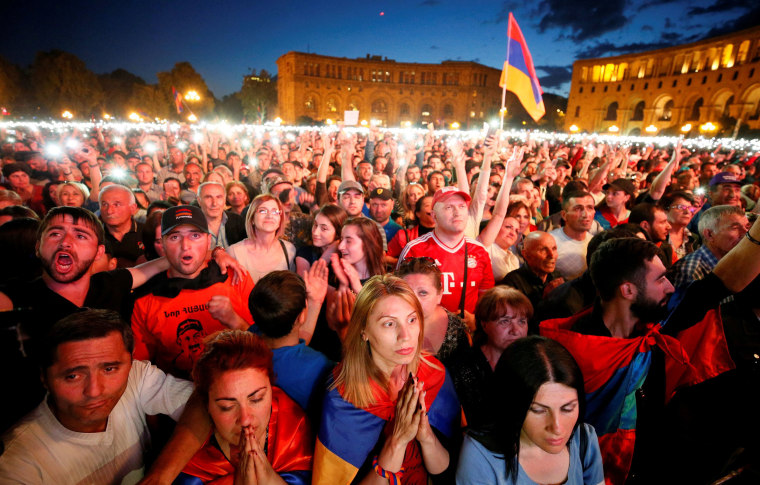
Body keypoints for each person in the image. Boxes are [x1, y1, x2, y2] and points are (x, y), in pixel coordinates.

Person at [540, 222, 760, 484]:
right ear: (628, 290)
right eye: (659, 279)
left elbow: (717, 284)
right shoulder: (568, 356)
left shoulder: (651, 327)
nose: (669, 286)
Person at [0, 309, 194, 485]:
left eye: (109, 369)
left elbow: (205, 402)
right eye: (73, 376)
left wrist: (161, 475)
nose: (94, 391)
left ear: (131, 361)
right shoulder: (16, 466)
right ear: (45, 378)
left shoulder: (136, 376)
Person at [313, 275, 460, 485]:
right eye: (389, 324)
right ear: (363, 331)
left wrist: (426, 436)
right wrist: (397, 442)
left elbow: (446, 472)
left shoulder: (434, 374)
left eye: (412, 319)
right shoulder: (343, 396)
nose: (406, 335)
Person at [456, 336, 604, 485]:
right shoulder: (480, 455)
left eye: (567, 408)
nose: (557, 428)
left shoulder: (584, 438)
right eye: (539, 410)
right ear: (512, 405)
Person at [174, 330, 314, 485]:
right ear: (206, 405)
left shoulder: (293, 427)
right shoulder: (189, 457)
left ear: (271, 388)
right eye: (227, 407)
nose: (245, 419)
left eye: (256, 399)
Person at [131, 205, 255, 378]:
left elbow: (266, 346)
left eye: (195, 236)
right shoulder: (145, 299)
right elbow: (140, 368)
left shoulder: (235, 277)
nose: (185, 246)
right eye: (175, 237)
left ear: (208, 240)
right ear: (163, 244)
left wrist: (235, 321)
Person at [398, 186, 494, 328]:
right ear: (434, 215)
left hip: (467, 337)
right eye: (449, 207)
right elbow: (399, 298)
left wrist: (477, 320)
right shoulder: (414, 249)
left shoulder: (479, 251)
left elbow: (487, 299)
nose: (457, 213)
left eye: (461, 206)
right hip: (424, 337)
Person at [248, 270, 333, 416]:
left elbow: (290, 353)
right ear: (301, 316)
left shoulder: (249, 339)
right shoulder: (319, 366)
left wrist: (314, 303)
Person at [448, 287, 532, 429]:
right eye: (505, 321)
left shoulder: (533, 362)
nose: (516, 330)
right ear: (484, 324)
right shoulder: (463, 366)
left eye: (522, 321)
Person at [396, 257, 470, 364]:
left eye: (423, 293)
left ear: (439, 295)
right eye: (407, 292)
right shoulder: (385, 326)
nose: (414, 301)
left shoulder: (456, 331)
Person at [228, 194, 296, 283]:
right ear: (252, 218)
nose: (269, 216)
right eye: (263, 211)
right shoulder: (234, 252)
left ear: (280, 219)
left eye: (275, 212)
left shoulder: (289, 250)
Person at [500, 231, 564, 325]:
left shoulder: (557, 276)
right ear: (526, 255)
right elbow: (516, 324)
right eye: (543, 250)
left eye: (554, 249)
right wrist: (546, 299)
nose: (551, 255)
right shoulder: (512, 283)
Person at [332, 216, 386, 294]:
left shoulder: (384, 284)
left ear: (367, 244)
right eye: (341, 239)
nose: (340, 246)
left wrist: (357, 287)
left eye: (348, 241)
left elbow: (376, 306)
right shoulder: (336, 275)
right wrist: (343, 285)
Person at [550, 192, 596, 280]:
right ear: (564, 215)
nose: (585, 215)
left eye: (590, 208)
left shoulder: (594, 242)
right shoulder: (551, 241)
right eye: (578, 209)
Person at [99, 184, 145, 267]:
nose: (109, 211)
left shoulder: (147, 233)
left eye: (117, 205)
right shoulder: (94, 236)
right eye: (105, 204)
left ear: (133, 208)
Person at [295, 203, 347, 275]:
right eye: (315, 225)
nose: (315, 232)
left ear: (338, 233)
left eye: (324, 229)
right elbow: (304, 283)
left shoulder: (346, 256)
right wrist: (327, 254)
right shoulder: (305, 252)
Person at [196, 181, 246, 250]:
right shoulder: (192, 225)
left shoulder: (238, 221)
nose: (214, 203)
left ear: (225, 200)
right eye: (208, 197)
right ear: (199, 200)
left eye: (219, 197)